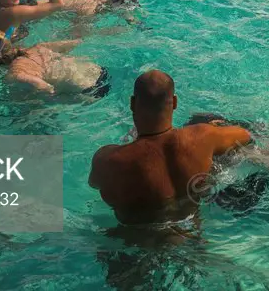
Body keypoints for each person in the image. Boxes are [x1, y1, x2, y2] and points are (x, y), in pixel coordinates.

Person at [88, 70, 255, 225]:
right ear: (174, 102)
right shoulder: (203, 136)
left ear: (132, 103)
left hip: (132, 246)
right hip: (189, 235)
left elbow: (95, 184)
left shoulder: (107, 160)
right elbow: (246, 136)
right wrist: (214, 129)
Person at [0, 30, 109, 98]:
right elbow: (76, 42)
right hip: (101, 72)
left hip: (91, 93)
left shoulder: (15, 72)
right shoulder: (37, 47)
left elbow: (45, 88)